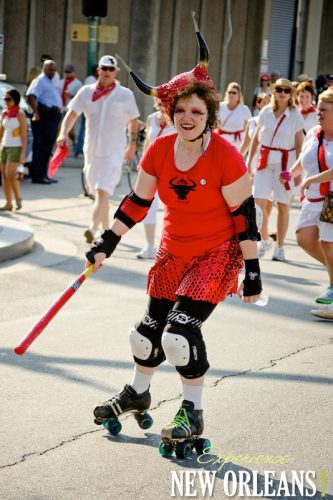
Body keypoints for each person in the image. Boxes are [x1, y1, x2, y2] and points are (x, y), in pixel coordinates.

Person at [85, 18, 262, 446]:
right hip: (172, 251)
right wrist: (107, 240)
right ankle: (139, 394)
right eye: (179, 110)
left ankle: (193, 412)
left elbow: (245, 215)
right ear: (170, 113)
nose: (187, 117)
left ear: (209, 115)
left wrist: (253, 270)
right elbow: (138, 201)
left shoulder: (225, 156)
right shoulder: (160, 148)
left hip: (216, 254)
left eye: (196, 111)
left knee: (179, 333)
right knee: (145, 335)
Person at [57, 55, 140, 243]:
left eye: (111, 69)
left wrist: (131, 146)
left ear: (116, 72)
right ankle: (106, 231)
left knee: (102, 190)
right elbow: (72, 114)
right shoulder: (86, 92)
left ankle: (92, 229)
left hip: (114, 151)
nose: (107, 72)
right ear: (98, 71)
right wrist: (63, 134)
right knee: (98, 192)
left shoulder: (125, 95)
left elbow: (133, 122)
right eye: (104, 68)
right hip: (92, 151)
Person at [247, 78, 304, 261]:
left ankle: (280, 246)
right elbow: (256, 139)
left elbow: (299, 145)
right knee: (258, 203)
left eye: (286, 91)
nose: (282, 93)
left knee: (282, 205)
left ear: (291, 95)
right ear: (274, 91)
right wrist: (249, 163)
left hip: (285, 164)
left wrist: (297, 171)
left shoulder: (295, 115)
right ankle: (265, 239)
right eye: (279, 89)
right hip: (264, 161)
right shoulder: (265, 112)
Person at [288, 87, 333, 314]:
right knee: (304, 238)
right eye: (319, 108)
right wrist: (291, 173)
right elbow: (305, 159)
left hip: (331, 199)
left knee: (328, 244)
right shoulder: (314, 133)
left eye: (324, 109)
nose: (319, 112)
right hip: (313, 197)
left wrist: (314, 178)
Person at [137, 98, 175, 259]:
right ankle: (150, 246)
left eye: (165, 103)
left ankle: (169, 248)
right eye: (159, 103)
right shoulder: (151, 118)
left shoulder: (176, 120)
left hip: (171, 170)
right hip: (152, 169)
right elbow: (148, 143)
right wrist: (142, 162)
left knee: (172, 209)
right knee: (149, 207)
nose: (161, 106)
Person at [26, 60, 62, 184]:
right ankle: (37, 175)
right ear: (44, 69)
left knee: (47, 147)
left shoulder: (52, 81)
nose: (52, 72)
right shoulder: (40, 80)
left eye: (54, 70)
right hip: (45, 115)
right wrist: (36, 112)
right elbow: (31, 96)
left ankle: (44, 174)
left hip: (52, 116)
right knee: (41, 146)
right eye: (49, 69)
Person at [0, 89, 27, 210]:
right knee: (4, 176)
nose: (6, 102)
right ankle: (8, 203)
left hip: (16, 147)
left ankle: (18, 197)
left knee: (10, 174)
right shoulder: (4, 113)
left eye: (8, 99)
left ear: (15, 100)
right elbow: (1, 132)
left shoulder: (20, 114)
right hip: (4, 146)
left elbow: (24, 136)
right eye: (5, 99)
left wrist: (23, 154)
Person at [240, 93, 271, 176]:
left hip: (267, 161)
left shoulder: (273, 123)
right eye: (264, 102)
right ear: (259, 104)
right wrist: (237, 159)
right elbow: (245, 144)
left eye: (269, 102)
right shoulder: (251, 122)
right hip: (252, 160)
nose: (267, 105)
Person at [215, 82, 251, 151]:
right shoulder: (220, 106)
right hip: (221, 142)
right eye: (229, 92)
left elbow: (249, 127)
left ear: (238, 96)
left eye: (234, 93)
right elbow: (214, 124)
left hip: (237, 144)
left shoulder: (244, 109)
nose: (231, 94)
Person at [75, 65, 99, 158]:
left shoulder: (91, 79)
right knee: (84, 130)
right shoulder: (91, 80)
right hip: (89, 109)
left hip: (91, 109)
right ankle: (79, 150)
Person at [59, 64, 82, 150]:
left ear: (73, 72)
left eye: (69, 72)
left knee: (70, 129)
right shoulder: (61, 82)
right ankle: (60, 145)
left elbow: (78, 98)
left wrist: (70, 95)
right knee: (59, 127)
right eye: (66, 72)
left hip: (70, 108)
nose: (68, 74)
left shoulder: (78, 83)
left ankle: (74, 142)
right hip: (60, 107)